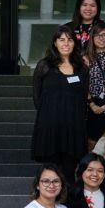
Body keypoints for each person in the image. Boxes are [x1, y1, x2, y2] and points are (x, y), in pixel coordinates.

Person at [32, 25, 89, 183]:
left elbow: (84, 98)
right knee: (50, 173)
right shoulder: (44, 66)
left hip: (73, 129)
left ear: (75, 43)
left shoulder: (82, 69)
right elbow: (37, 97)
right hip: (50, 129)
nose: (66, 43)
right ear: (55, 43)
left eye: (70, 40)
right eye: (61, 39)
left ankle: (67, 206)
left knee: (70, 174)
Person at [84, 22, 105, 148]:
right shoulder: (85, 59)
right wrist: (92, 104)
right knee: (92, 141)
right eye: (97, 35)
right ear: (92, 38)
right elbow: (83, 85)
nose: (101, 38)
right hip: (92, 104)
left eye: (104, 35)